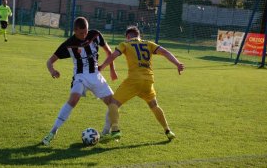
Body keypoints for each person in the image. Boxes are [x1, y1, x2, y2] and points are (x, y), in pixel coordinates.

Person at [99, 26, 184, 141]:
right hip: (148, 81)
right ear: (139, 35)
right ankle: (168, 130)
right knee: (154, 106)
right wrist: (178, 64)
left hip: (134, 80)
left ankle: (115, 130)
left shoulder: (125, 44)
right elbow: (165, 52)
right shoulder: (149, 44)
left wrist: (102, 67)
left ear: (128, 36)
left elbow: (113, 55)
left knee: (113, 103)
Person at [42, 17, 117, 146]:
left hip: (96, 75)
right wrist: (52, 71)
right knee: (73, 99)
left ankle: (105, 132)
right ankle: (53, 132)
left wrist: (111, 70)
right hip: (80, 76)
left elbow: (109, 52)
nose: (84, 35)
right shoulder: (69, 44)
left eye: (86, 32)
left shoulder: (95, 35)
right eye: (81, 33)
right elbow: (49, 61)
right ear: (75, 30)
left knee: (114, 104)